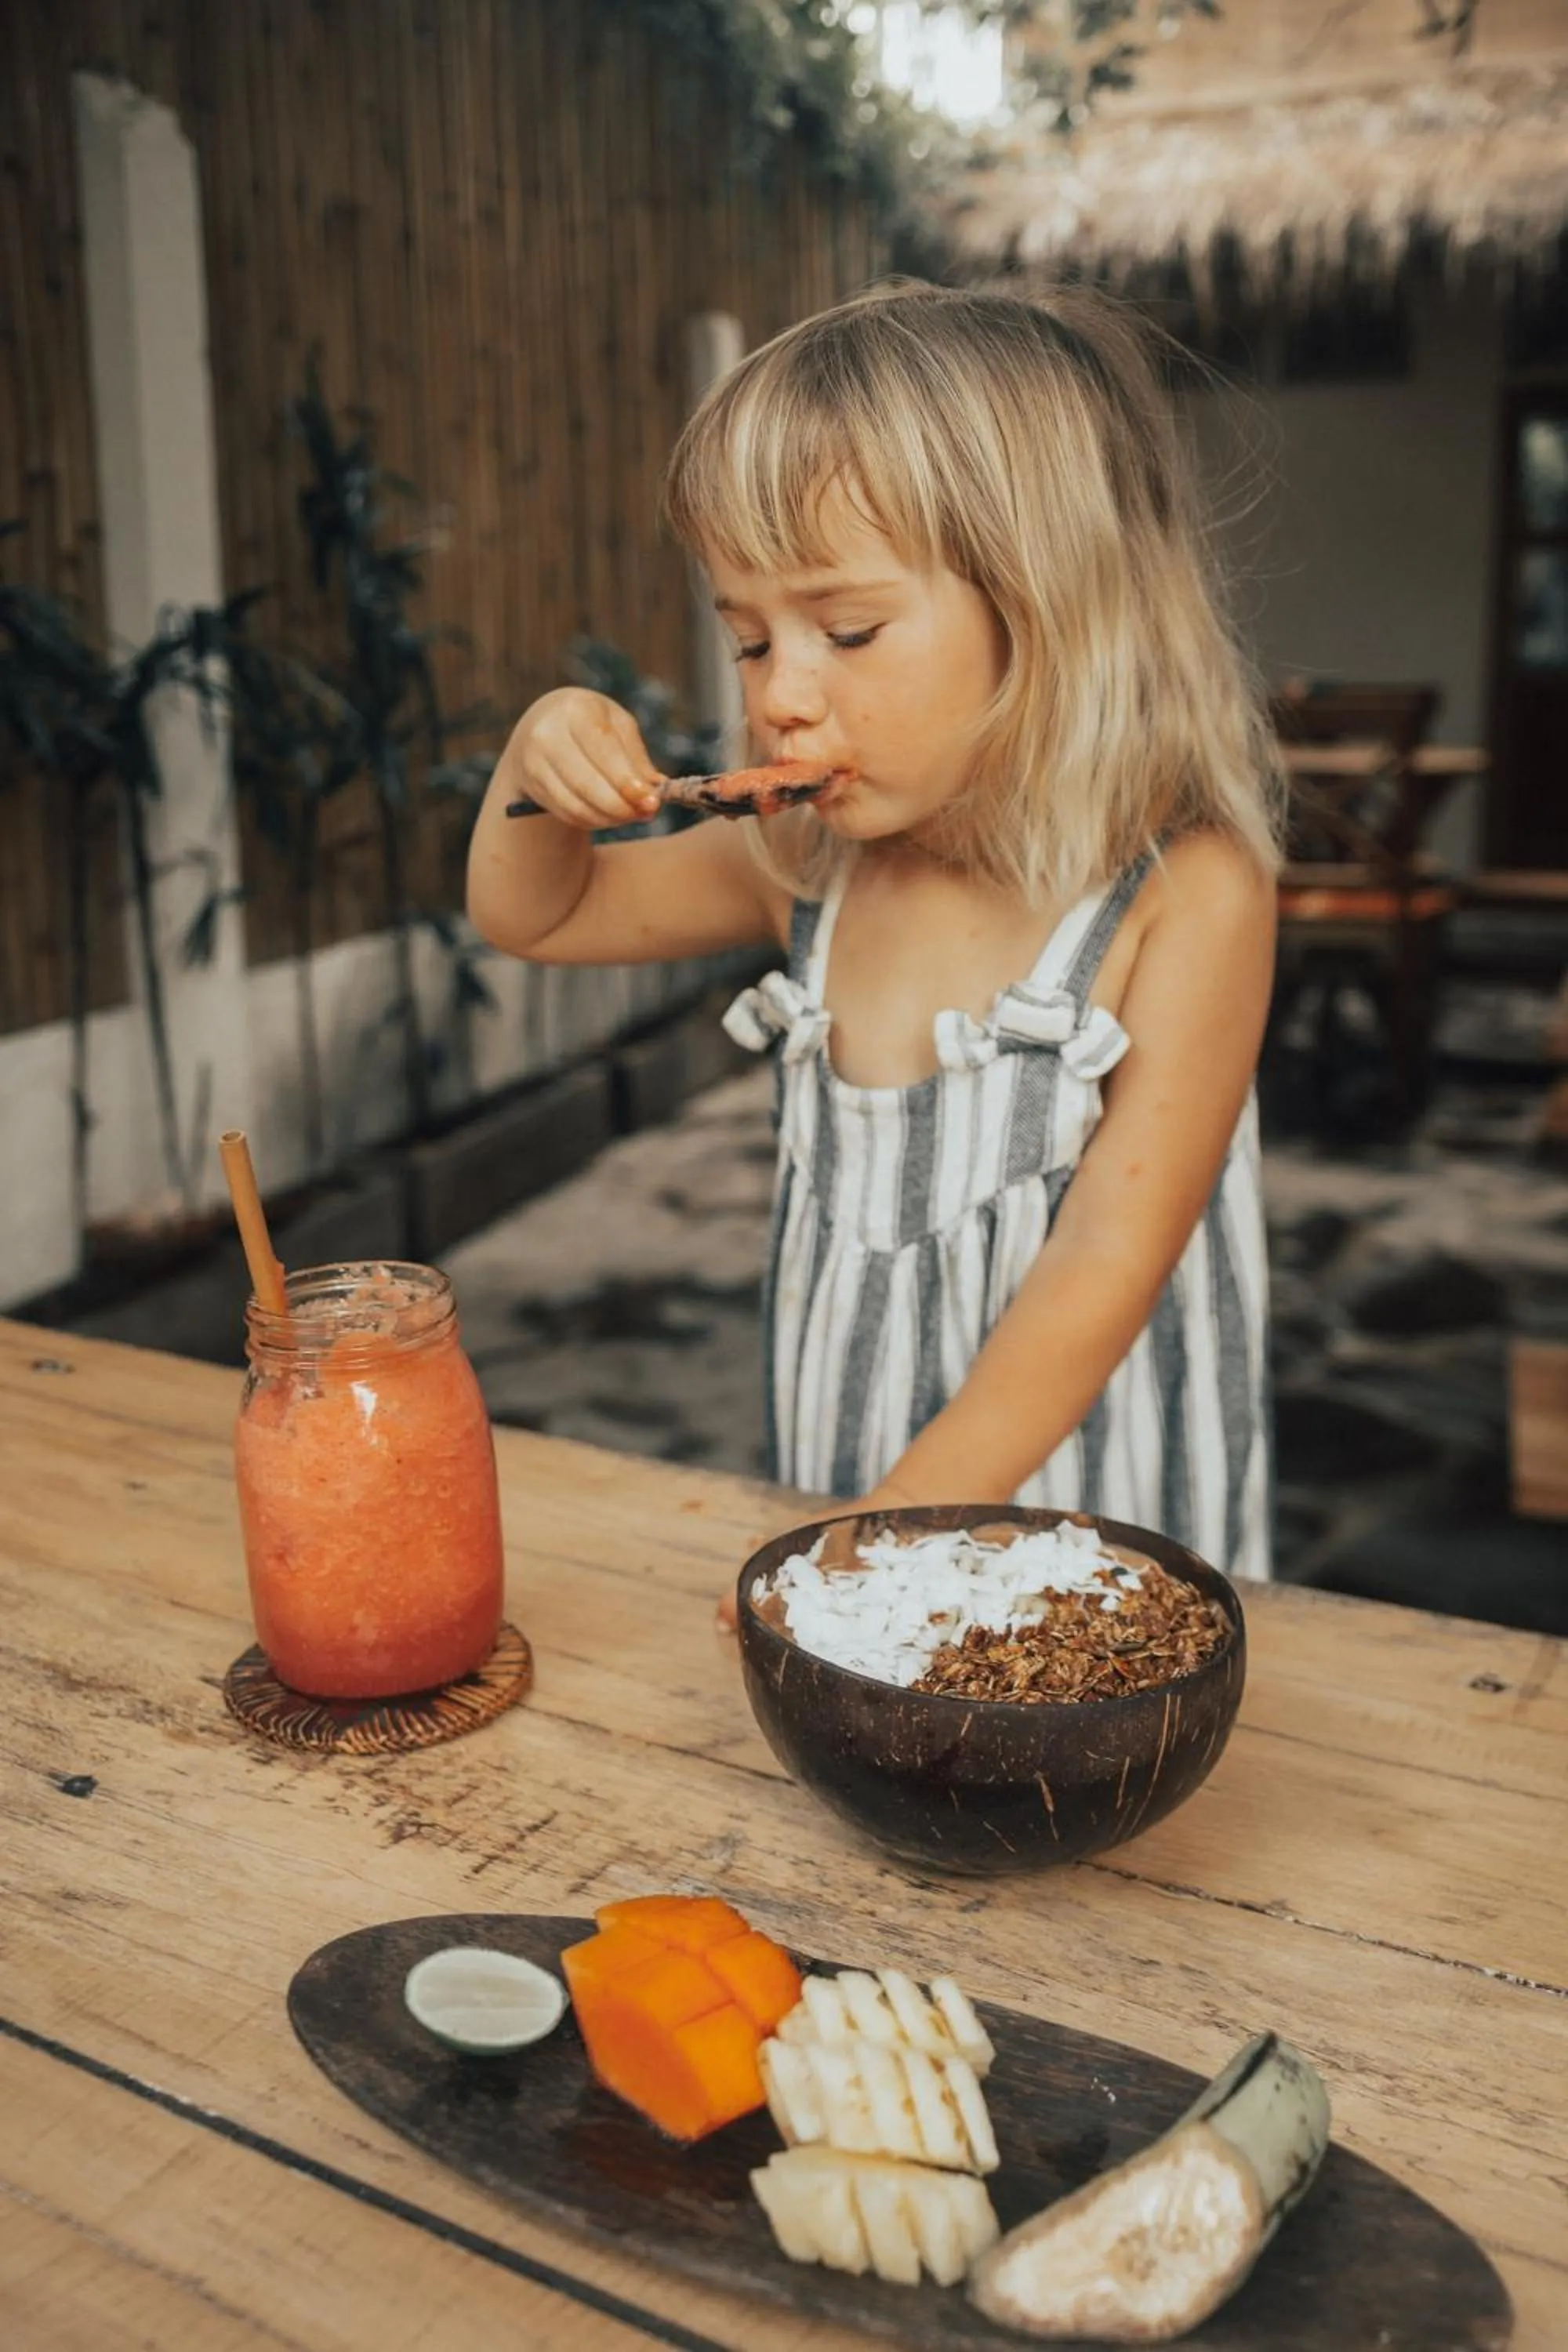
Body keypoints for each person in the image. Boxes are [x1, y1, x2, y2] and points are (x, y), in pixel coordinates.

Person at [466, 281, 1283, 1609]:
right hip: (851, 1493)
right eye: (749, 639)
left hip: (1098, 1526)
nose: (783, 694)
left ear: (1050, 611)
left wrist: (884, 1537)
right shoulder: (799, 863)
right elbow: (537, 913)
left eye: (846, 631)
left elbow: (1107, 1262)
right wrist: (531, 765)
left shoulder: (1184, 895)